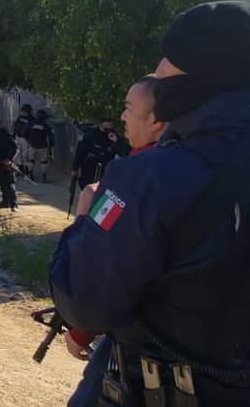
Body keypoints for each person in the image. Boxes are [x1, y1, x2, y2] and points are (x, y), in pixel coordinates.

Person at [52, 0, 250, 405]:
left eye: (171, 59)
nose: (159, 69)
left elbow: (85, 303)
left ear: (207, 73)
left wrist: (82, 223)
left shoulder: (151, 177)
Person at [64, 75, 167, 407]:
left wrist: (84, 216)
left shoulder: (134, 177)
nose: (122, 116)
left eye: (128, 108)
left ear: (155, 121)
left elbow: (105, 268)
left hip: (146, 339)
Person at [71, 115, 121, 191]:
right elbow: (80, 152)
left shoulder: (114, 136)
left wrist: (116, 142)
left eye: (110, 127)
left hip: (106, 169)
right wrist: (75, 168)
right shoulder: (90, 135)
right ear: (100, 125)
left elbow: (121, 152)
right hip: (90, 168)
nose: (108, 130)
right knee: (88, 191)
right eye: (106, 127)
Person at [25, 110, 54, 184]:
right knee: (43, 161)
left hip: (32, 145)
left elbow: (24, 132)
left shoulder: (31, 124)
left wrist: (28, 140)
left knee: (31, 160)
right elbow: (51, 137)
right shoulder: (46, 126)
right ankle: (43, 177)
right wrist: (51, 146)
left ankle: (31, 175)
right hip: (43, 146)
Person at [12, 104, 35, 179]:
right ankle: (20, 169)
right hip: (18, 137)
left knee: (26, 155)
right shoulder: (20, 117)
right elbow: (15, 125)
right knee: (18, 154)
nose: (22, 112)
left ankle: (27, 171)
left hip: (25, 139)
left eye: (24, 111)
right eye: (22, 111)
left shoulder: (31, 119)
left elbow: (31, 130)